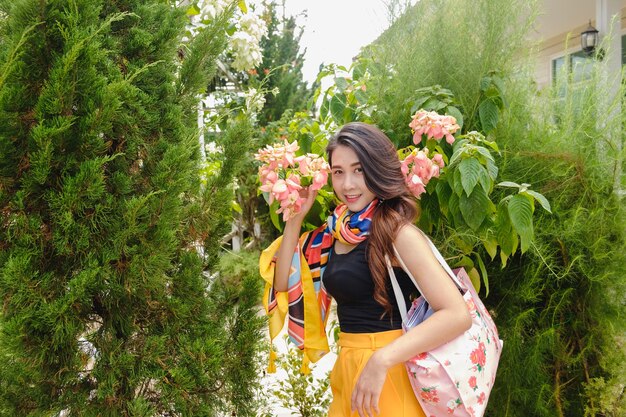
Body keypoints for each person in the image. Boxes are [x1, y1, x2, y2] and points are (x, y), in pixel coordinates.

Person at [262, 122, 471, 417]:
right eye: (338, 172)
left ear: (377, 169)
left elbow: (457, 314)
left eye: (358, 170)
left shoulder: (397, 234)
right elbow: (284, 283)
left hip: (389, 372)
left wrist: (382, 359)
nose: (347, 184)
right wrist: (294, 220)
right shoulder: (335, 232)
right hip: (349, 370)